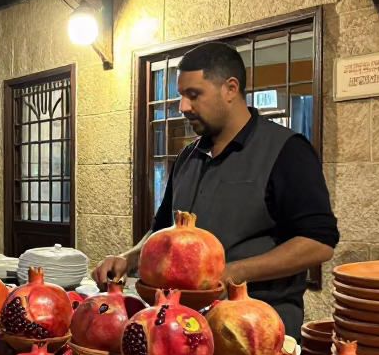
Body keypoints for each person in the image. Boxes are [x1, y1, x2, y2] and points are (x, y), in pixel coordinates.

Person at [91, 42, 338, 338]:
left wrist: (234, 272)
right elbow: (162, 230)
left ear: (230, 89)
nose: (183, 106)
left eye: (193, 95)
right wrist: (128, 258)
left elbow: (319, 242)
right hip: (183, 325)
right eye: (181, 95)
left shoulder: (286, 151)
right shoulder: (187, 156)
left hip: (255, 327)